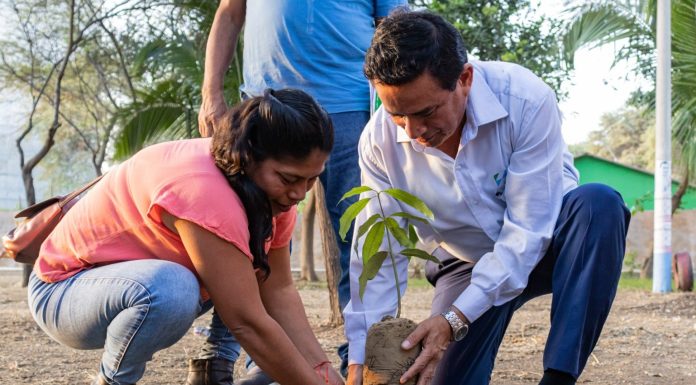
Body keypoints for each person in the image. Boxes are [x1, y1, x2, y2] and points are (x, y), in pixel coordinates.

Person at [343, 9, 631, 385]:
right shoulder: (378, 142)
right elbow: (377, 254)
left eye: (426, 112)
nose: (413, 132)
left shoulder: (525, 100)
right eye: (398, 115)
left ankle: (558, 377)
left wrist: (454, 319)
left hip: (551, 243)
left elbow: (528, 231)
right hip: (465, 260)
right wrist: (360, 361)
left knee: (599, 206)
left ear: (464, 79)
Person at [28, 89, 344, 385]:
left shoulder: (271, 193)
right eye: (289, 179)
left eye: (311, 180)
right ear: (248, 157)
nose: (299, 194)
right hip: (64, 292)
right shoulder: (203, 190)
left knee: (231, 275)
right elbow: (247, 322)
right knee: (172, 288)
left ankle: (212, 369)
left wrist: (325, 372)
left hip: (128, 285)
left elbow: (279, 291)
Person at [197, 0, 405, 382]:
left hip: (351, 106)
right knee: (247, 238)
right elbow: (229, 11)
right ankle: (260, 364)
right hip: (264, 110)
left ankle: (360, 363)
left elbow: (394, 25)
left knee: (360, 241)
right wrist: (211, 93)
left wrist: (396, 108)